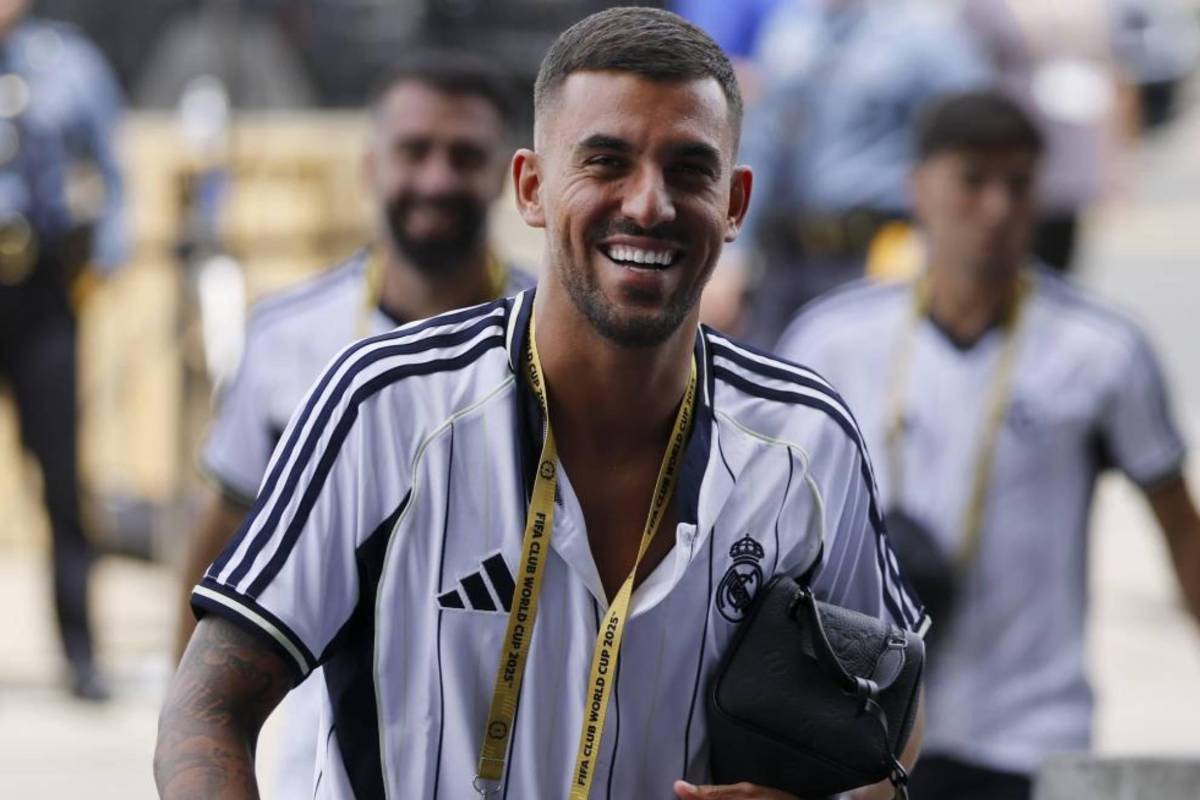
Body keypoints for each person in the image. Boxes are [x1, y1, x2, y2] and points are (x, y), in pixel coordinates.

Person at [156, 9, 925, 799]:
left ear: (735, 202)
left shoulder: (809, 441)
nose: (649, 203)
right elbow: (205, 708)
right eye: (607, 162)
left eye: (689, 169)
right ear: (530, 187)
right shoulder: (383, 406)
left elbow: (893, 715)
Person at [777, 90, 1200, 799]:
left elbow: (1181, 530)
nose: (997, 208)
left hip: (1032, 733)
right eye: (972, 181)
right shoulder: (832, 341)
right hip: (863, 729)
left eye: (1019, 184)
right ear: (918, 188)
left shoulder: (1101, 350)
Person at [171, 49, 534, 797]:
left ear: (507, 174)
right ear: (371, 165)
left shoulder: (557, 343)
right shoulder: (287, 335)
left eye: (465, 156)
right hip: (315, 753)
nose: (436, 179)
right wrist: (189, 722)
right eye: (414, 151)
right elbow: (220, 535)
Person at [707, 0, 989, 345]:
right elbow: (762, 146)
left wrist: (939, 235)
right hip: (789, 255)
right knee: (765, 366)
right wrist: (735, 251)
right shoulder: (791, 31)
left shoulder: (926, 36)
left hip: (879, 248)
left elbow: (973, 136)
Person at [0, 0, 127, 701]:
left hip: (41, 291)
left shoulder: (65, 63)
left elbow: (111, 168)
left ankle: (80, 650)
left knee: (61, 478)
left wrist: (105, 253)